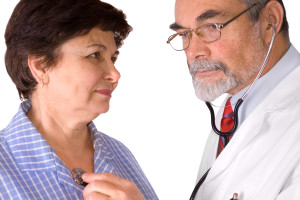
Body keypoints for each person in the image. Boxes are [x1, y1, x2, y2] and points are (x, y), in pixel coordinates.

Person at [0, 0, 159, 199]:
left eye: (112, 58)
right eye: (94, 55)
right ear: (40, 66)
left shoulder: (120, 155)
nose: (115, 74)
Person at [167, 0, 300, 199]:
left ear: (270, 20)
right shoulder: (234, 107)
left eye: (212, 27)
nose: (193, 52)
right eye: (184, 34)